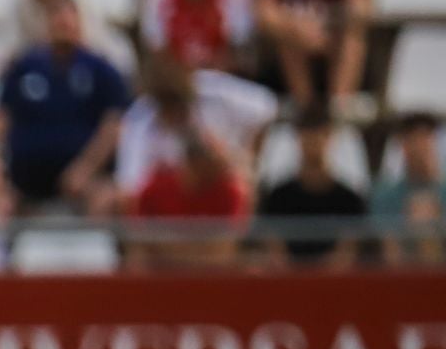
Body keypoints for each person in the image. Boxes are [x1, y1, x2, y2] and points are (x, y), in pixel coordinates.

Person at [0, 0, 129, 218]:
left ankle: (103, 252)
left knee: (108, 199)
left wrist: (86, 169)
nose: (63, 22)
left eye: (68, 16)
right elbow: (0, 114)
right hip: (25, 178)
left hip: (83, 177)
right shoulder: (24, 67)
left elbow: (114, 125)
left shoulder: (101, 70)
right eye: (56, 16)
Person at [116, 55, 275, 213]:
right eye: (167, 103)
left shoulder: (213, 89)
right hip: (172, 209)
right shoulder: (141, 118)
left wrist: (250, 159)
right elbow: (129, 187)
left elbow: (267, 107)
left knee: (243, 183)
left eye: (177, 100)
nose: (175, 110)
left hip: (222, 188)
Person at [258, 103, 365, 267]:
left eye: (320, 134)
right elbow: (276, 254)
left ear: (331, 137)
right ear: (298, 137)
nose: (313, 141)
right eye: (307, 134)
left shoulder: (350, 199)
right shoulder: (277, 197)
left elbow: (346, 255)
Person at [129, 132, 251, 269]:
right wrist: (201, 247)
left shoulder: (230, 191)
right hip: (160, 278)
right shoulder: (156, 186)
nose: (214, 170)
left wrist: (165, 244)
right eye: (205, 164)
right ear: (189, 163)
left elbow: (223, 253)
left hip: (210, 279)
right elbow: (139, 246)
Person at [253, 0, 374, 124]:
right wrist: (295, 28)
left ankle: (338, 113)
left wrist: (329, 27)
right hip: (291, 57)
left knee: (352, 40)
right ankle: (309, 114)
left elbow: (362, 8)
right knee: (288, 42)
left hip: (335, 46)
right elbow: (263, 15)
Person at [370, 112, 446, 267]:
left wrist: (433, 219)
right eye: (412, 139)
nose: (419, 146)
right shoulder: (385, 194)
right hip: (402, 278)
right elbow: (389, 251)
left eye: (425, 137)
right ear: (402, 144)